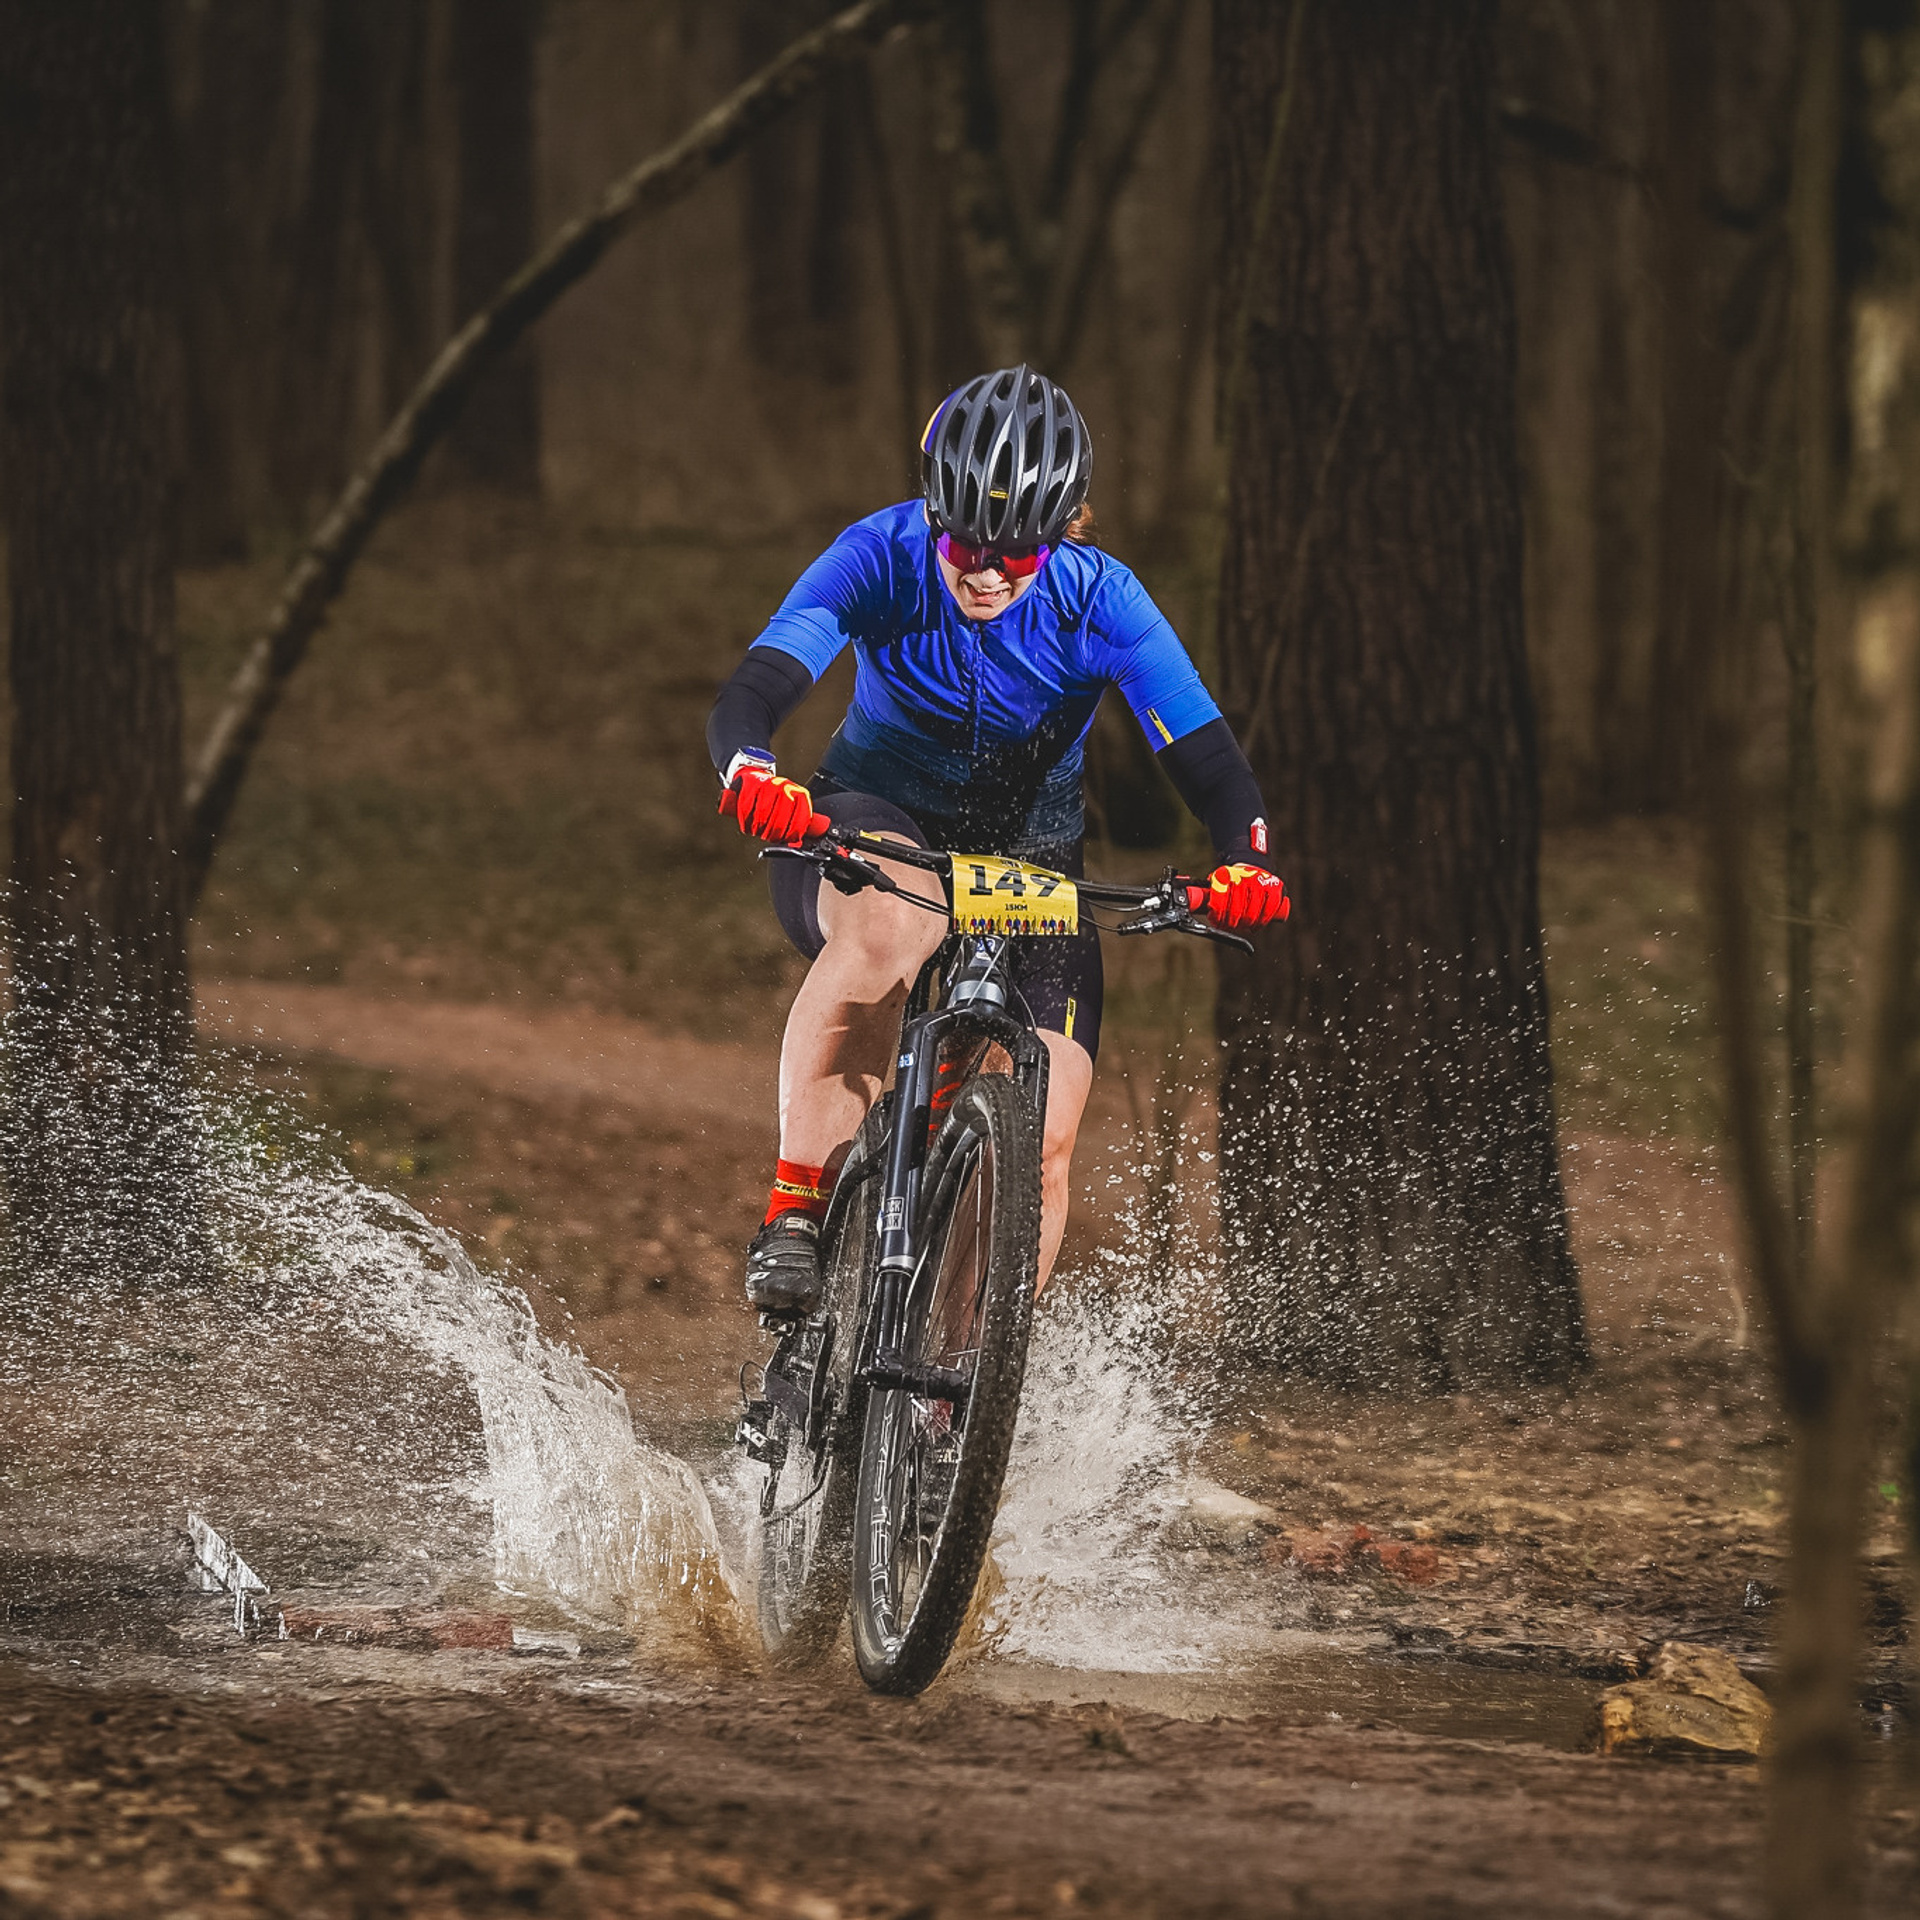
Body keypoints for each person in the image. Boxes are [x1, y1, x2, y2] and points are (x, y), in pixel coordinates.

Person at [707, 365, 1288, 1314]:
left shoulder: (1103, 600)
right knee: (902, 923)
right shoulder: (878, 556)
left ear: (1061, 533)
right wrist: (751, 769)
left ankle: (960, 1396)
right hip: (870, 823)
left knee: (1048, 1131)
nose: (984, 571)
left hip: (1033, 865)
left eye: (1016, 554)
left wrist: (1248, 858)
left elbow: (1212, 763)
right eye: (965, 541)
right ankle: (796, 1214)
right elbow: (753, 692)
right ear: (934, 509)